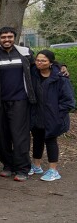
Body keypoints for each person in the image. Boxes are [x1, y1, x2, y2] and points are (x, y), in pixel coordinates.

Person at [0, 27, 36, 181]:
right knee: (4, 136)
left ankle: (22, 168)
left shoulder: (25, 53)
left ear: (14, 38)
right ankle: (8, 165)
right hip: (0, 102)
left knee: (20, 136)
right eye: (3, 37)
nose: (7, 40)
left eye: (10, 37)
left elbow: (42, 65)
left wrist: (60, 67)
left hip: (20, 101)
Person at [29, 50, 75, 182]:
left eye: (43, 60)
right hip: (37, 114)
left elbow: (69, 102)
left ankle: (53, 170)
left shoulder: (60, 78)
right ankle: (36, 165)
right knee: (37, 139)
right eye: (38, 60)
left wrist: (57, 113)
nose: (39, 63)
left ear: (50, 62)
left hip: (54, 117)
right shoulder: (34, 73)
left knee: (50, 140)